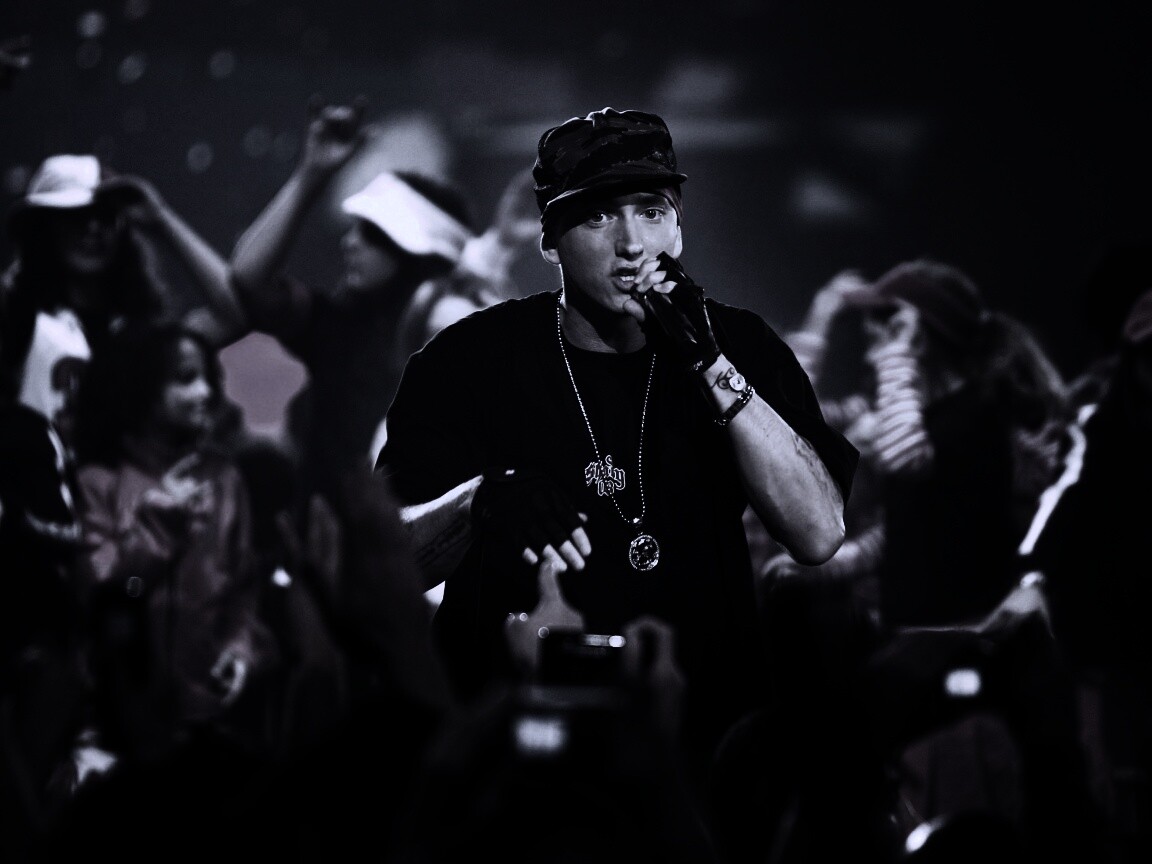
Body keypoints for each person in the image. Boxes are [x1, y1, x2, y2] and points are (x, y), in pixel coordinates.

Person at [375, 106, 858, 797]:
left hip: (701, 740)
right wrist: (476, 502)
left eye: (652, 211)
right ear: (550, 240)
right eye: (599, 216)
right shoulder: (467, 361)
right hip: (523, 752)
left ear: (678, 227)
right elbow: (385, 563)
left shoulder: (740, 347)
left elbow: (818, 533)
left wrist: (710, 363)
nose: (633, 244)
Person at [228, 100, 536, 508]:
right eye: (354, 230)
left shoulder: (447, 323)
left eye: (372, 233)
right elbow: (248, 279)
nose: (349, 242)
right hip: (332, 539)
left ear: (412, 249)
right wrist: (311, 175)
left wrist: (499, 246)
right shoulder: (337, 326)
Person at [69, 320, 277, 767]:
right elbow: (102, 593)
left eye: (207, 378)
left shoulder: (224, 479)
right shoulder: (99, 483)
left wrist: (239, 650)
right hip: (124, 733)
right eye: (185, 379)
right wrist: (159, 532)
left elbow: (243, 587)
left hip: (213, 722)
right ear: (141, 391)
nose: (204, 392)